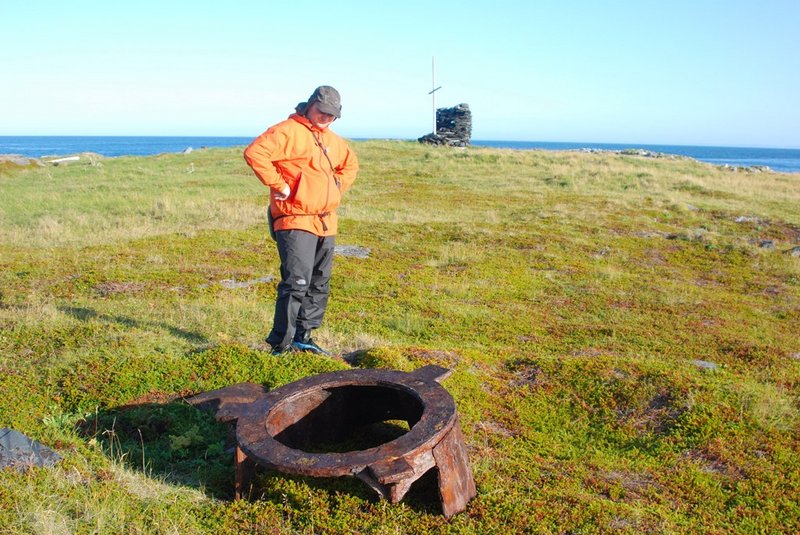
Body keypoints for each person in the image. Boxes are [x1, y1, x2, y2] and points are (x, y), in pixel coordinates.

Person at [243, 86, 359, 355]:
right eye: (322, 112)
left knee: (320, 282)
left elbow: (350, 166)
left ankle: (304, 337)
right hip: (295, 218)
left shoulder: (334, 141)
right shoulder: (287, 131)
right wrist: (278, 184)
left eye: (332, 115)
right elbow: (255, 153)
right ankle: (281, 344)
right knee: (296, 281)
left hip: (326, 221)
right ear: (310, 106)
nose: (326, 118)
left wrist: (337, 185)